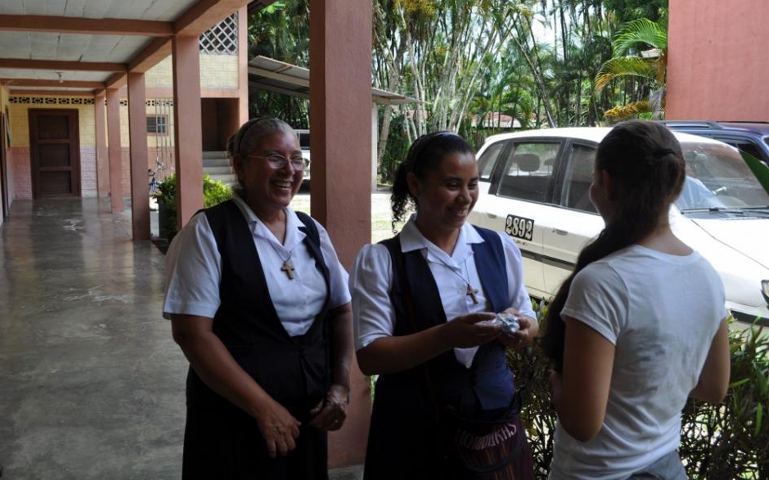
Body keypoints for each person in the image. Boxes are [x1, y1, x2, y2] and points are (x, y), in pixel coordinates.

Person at [163, 117, 354, 480]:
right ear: (239, 166)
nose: (289, 170)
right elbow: (192, 334)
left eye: (297, 159)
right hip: (234, 418)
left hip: (307, 417)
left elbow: (342, 308)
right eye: (274, 157)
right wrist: (263, 408)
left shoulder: (311, 231)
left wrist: (341, 385)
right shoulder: (209, 232)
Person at [541, 120, 730, 480]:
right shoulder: (706, 274)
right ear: (672, 185)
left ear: (607, 183)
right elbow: (713, 388)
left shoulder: (604, 282)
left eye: (593, 179)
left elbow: (583, 424)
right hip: (667, 469)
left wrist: (556, 379)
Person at [350, 132, 537, 480]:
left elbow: (526, 314)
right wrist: (447, 336)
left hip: (494, 433)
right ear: (415, 184)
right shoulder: (382, 261)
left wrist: (522, 328)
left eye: (472, 184)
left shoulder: (498, 247)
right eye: (452, 184)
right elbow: (370, 356)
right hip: (414, 436)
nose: (464, 197)